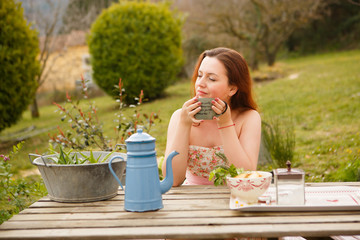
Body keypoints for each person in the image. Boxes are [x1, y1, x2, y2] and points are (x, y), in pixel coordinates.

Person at [163, 47, 261, 186]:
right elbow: (172, 180)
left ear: (232, 89)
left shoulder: (248, 118)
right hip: (190, 202)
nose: (200, 84)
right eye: (199, 75)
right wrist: (184, 124)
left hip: (235, 199)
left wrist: (225, 123)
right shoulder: (180, 116)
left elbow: (246, 176)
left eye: (211, 78)